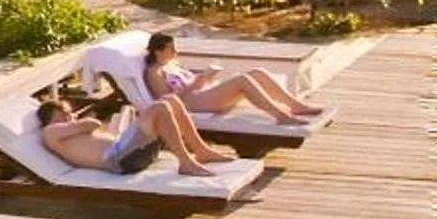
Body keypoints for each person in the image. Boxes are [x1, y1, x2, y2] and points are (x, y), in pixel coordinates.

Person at [140, 30, 325, 124]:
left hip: (202, 94)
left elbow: (188, 83)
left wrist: (206, 78)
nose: (176, 51)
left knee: (257, 73)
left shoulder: (171, 64)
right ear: (158, 51)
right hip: (192, 103)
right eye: (171, 49)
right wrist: (197, 82)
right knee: (242, 80)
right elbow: (168, 101)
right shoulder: (154, 72)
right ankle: (280, 115)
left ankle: (295, 105)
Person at [34, 93, 233, 176]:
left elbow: (91, 126)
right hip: (121, 159)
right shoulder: (50, 132)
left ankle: (201, 150)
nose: (69, 117)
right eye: (63, 114)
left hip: (130, 152)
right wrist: (77, 120)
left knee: (170, 100)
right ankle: (186, 162)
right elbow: (92, 123)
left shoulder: (67, 132)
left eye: (69, 113)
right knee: (160, 107)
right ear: (50, 119)